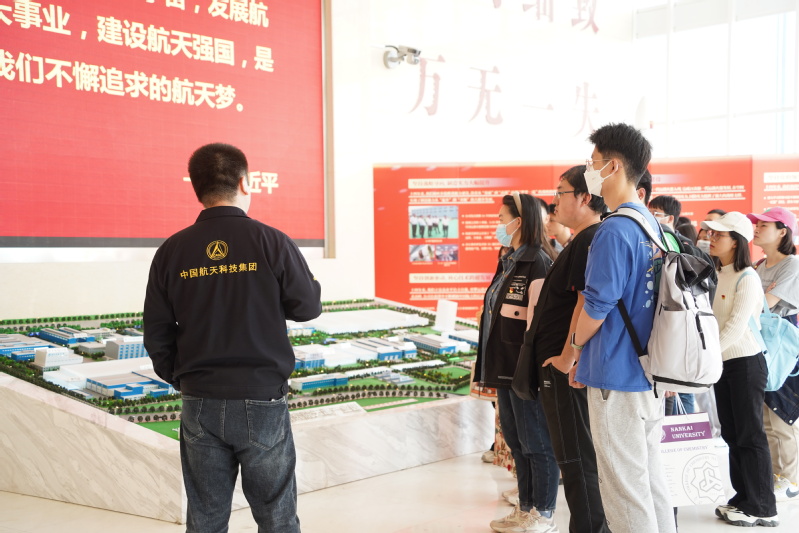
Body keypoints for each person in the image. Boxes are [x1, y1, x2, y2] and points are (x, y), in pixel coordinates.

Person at [144, 143, 322, 533]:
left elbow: (156, 332)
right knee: (276, 516)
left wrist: (182, 377)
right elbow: (307, 307)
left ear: (196, 188)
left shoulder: (171, 251)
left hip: (199, 399)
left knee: (205, 518)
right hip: (262, 398)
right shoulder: (272, 241)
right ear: (244, 182)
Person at [569, 123, 676, 533]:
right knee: (649, 480)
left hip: (616, 373)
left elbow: (597, 305)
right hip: (648, 371)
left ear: (613, 166)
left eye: (593, 162)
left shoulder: (615, 229)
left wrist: (575, 348)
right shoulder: (651, 225)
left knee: (623, 487)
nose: (589, 170)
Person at [527, 166, 610, 532]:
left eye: (560, 192)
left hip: (567, 369)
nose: (554, 201)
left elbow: (585, 302)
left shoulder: (590, 237)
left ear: (584, 197)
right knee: (575, 458)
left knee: (576, 459)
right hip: (565, 366)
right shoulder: (583, 238)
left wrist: (567, 356)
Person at [473, 192, 560, 533]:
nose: (497, 225)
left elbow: (544, 323)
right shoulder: (509, 260)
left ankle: (544, 513)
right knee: (518, 442)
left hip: (526, 370)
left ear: (518, 222)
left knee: (537, 442)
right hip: (504, 368)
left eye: (501, 219)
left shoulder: (538, 262)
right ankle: (525, 509)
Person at [701, 212, 778, 527]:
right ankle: (743, 498)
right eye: (711, 233)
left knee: (750, 434)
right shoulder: (718, 273)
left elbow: (735, 327)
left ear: (737, 242)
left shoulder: (747, 277)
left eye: (719, 234)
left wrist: (707, 359)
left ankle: (763, 507)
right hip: (725, 364)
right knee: (733, 433)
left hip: (745, 363)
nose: (711, 238)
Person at [748, 206, 799, 503]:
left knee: (782, 415)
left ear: (783, 232)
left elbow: (761, 304)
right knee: (766, 417)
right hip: (762, 345)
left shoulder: (792, 265)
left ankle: (790, 479)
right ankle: (776, 475)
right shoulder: (759, 266)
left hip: (783, 349)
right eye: (756, 224)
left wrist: (750, 302)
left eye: (764, 225)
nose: (756, 228)